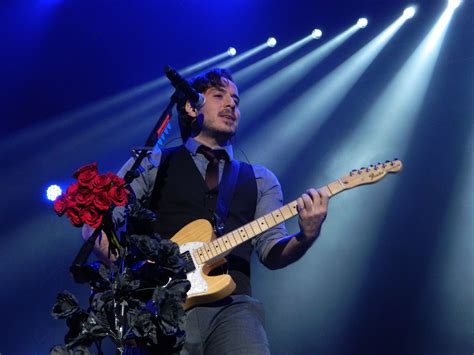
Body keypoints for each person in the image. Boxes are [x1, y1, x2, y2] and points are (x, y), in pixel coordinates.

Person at [85, 68, 329, 354]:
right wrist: (101, 243)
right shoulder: (154, 162)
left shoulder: (261, 180)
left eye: (236, 101)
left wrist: (306, 236)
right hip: (160, 310)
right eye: (219, 96)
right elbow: (104, 220)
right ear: (191, 106)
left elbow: (272, 252)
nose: (231, 105)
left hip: (233, 307)